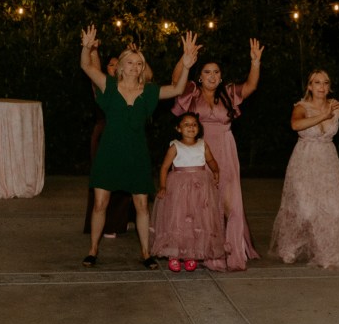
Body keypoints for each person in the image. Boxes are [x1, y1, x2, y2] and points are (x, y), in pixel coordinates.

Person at [79, 25, 198, 269]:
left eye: (139, 64)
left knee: (142, 205)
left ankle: (145, 253)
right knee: (101, 203)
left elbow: (176, 89)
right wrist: (86, 47)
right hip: (110, 153)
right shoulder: (109, 86)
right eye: (131, 63)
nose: (135, 67)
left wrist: (186, 65)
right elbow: (86, 66)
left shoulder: (149, 92)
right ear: (121, 66)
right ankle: (93, 250)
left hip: (136, 154)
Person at [171, 36, 264, 271]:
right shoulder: (191, 92)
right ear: (200, 76)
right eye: (207, 72)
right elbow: (175, 82)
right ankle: (202, 249)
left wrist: (255, 63)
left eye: (216, 72)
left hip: (225, 148)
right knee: (201, 202)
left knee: (229, 200)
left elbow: (251, 87)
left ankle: (231, 249)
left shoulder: (229, 93)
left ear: (220, 76)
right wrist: (185, 60)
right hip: (198, 151)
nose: (212, 76)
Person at [269, 70, 339, 269]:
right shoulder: (301, 106)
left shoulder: (337, 107)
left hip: (328, 161)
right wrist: (322, 116)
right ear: (310, 86)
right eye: (317, 83)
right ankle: (290, 246)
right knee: (305, 209)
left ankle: (329, 255)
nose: (322, 87)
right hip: (304, 160)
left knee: (332, 207)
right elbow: (295, 124)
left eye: (325, 82)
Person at [150, 112, 224, 272]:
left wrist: (216, 170)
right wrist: (163, 186)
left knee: (197, 220)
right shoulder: (175, 146)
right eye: (186, 124)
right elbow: (164, 167)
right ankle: (174, 254)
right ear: (178, 128)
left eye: (194, 124)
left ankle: (192, 254)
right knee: (178, 220)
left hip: (200, 188)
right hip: (179, 189)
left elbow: (210, 160)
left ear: (199, 128)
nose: (191, 127)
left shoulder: (203, 145)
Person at [83, 52, 136, 238]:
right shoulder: (103, 83)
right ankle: (106, 225)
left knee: (126, 176)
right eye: (110, 65)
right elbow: (93, 68)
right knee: (104, 179)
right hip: (104, 132)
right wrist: (94, 51)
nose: (114, 67)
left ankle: (122, 220)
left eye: (117, 64)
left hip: (125, 133)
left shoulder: (130, 84)